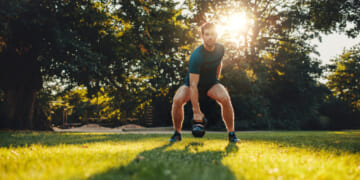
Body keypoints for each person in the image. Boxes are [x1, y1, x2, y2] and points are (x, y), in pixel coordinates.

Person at [169, 22, 240, 143]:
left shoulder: (220, 49)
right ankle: (177, 133)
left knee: (225, 98)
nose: (210, 37)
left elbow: (219, 63)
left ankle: (231, 134)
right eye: (207, 34)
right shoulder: (197, 56)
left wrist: (216, 80)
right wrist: (196, 111)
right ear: (202, 37)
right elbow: (193, 85)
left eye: (212, 34)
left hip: (211, 83)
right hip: (192, 84)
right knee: (177, 100)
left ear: (216, 35)